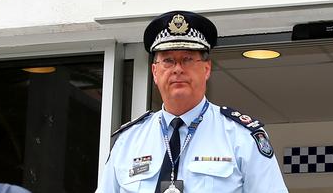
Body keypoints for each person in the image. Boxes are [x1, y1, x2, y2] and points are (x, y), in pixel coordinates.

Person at [96, 11, 288, 193]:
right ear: (155, 72)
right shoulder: (128, 141)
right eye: (168, 61)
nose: (177, 69)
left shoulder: (240, 137)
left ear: (206, 69)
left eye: (187, 59)